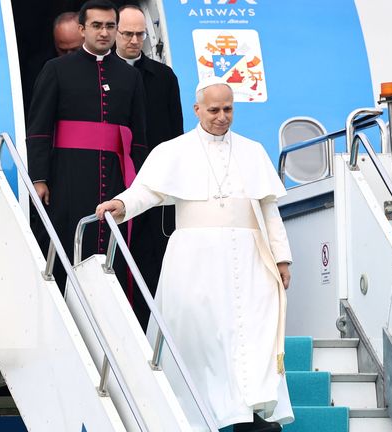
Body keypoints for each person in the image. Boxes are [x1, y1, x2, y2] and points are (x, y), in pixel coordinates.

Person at [96, 77, 294, 432]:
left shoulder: (252, 151)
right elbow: (146, 192)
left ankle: (249, 415)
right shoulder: (173, 151)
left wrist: (282, 258)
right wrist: (121, 203)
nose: (222, 117)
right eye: (214, 109)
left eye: (228, 109)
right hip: (195, 258)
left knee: (249, 334)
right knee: (200, 337)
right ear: (197, 109)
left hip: (250, 257)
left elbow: (269, 211)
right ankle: (196, 417)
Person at [26, 0, 148, 292]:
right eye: (96, 25)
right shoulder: (55, 69)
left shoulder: (130, 76)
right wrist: (39, 177)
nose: (103, 32)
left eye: (109, 26)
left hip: (117, 177)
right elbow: (39, 128)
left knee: (112, 248)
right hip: (69, 173)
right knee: (69, 242)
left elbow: (139, 136)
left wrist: (139, 184)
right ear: (82, 29)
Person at [113, 5, 184, 329]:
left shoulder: (164, 77)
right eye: (127, 33)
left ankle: (156, 327)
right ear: (115, 32)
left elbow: (176, 133)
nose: (134, 40)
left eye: (139, 34)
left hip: (157, 183)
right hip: (116, 178)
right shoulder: (104, 76)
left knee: (155, 257)